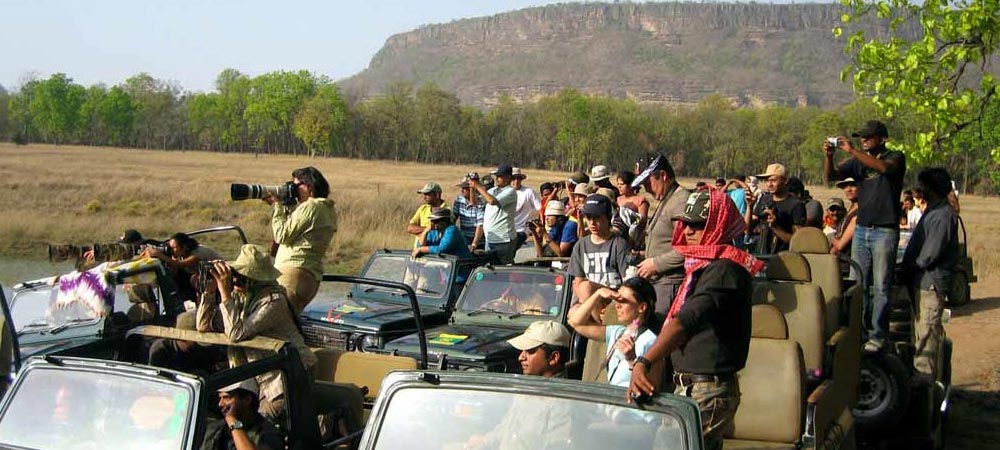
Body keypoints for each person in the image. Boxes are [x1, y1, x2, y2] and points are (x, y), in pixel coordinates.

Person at [627, 190, 763, 450]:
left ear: (717, 225)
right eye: (685, 223)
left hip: (708, 390)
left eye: (698, 225)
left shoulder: (724, 270)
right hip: (693, 388)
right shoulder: (702, 268)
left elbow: (684, 322)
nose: (688, 230)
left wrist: (644, 361)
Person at [197, 244, 317, 421]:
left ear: (254, 279)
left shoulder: (274, 301)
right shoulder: (242, 298)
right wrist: (209, 291)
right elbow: (203, 326)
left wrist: (224, 292)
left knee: (258, 424)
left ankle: (326, 423)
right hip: (259, 378)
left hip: (286, 379)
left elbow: (236, 334)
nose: (235, 280)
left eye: (240, 276)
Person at [825, 120, 907, 352]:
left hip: (885, 230)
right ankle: (857, 332)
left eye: (868, 136)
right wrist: (829, 156)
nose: (864, 140)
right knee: (858, 284)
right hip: (862, 228)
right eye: (861, 137)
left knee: (881, 286)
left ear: (881, 138)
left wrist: (852, 150)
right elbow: (831, 176)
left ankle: (877, 335)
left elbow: (884, 169)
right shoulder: (857, 161)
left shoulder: (895, 156)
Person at [463, 321, 573, 450]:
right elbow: (507, 428)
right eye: (522, 351)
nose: (521, 357)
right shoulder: (528, 387)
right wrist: (483, 441)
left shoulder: (563, 404)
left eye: (530, 351)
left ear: (553, 358)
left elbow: (557, 445)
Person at [902, 168, 959, 383]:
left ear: (932, 188)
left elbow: (930, 254)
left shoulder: (943, 216)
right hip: (923, 282)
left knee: (927, 336)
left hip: (930, 283)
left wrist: (908, 267)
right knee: (922, 334)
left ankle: (926, 388)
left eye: (924, 185)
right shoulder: (933, 211)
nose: (920, 189)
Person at [568, 277, 663, 387]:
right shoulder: (617, 332)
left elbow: (653, 386)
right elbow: (575, 323)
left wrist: (632, 360)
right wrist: (598, 294)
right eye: (617, 300)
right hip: (612, 401)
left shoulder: (652, 341)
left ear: (642, 307)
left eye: (623, 301)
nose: (617, 305)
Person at [268, 166, 337, 315]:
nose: (293, 189)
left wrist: (278, 205)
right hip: (309, 277)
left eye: (296, 185)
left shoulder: (310, 206)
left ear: (308, 186)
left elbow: (281, 235)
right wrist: (289, 208)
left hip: (293, 273)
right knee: (291, 321)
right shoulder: (327, 208)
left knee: (276, 322)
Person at [632, 153, 690, 315]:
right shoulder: (667, 199)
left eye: (648, 183)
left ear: (663, 175)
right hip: (659, 283)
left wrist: (656, 264)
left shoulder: (680, 202)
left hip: (671, 283)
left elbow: (691, 248)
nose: (647, 189)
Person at [569, 194, 632, 306]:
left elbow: (627, 283)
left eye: (597, 217)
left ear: (608, 217)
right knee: (572, 314)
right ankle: (599, 323)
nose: (592, 222)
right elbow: (577, 282)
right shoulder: (580, 245)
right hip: (588, 301)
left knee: (586, 287)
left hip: (614, 300)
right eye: (588, 217)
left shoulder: (619, 244)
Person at [200, 379, 284, 450]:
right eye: (220, 398)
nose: (220, 404)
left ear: (247, 400)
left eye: (227, 398)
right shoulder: (217, 428)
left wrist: (232, 421)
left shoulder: (268, 434)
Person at [143, 232, 223, 304]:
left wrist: (159, 255)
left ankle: (205, 303)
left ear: (184, 246)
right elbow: (174, 271)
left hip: (218, 274)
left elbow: (180, 264)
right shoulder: (180, 254)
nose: (172, 250)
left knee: (194, 279)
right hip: (202, 275)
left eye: (174, 247)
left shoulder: (198, 252)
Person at [746, 163, 805, 254]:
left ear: (785, 181)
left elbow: (798, 241)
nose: (769, 184)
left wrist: (775, 227)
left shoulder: (796, 205)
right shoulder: (764, 199)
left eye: (773, 180)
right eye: (767, 181)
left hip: (783, 258)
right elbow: (747, 229)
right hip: (760, 256)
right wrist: (749, 207)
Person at [471, 164, 518, 265]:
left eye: (499, 176)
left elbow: (492, 201)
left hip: (504, 240)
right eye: (496, 176)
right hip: (490, 238)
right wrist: (472, 186)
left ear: (508, 177)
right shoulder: (493, 190)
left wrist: (478, 186)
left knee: (503, 269)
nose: (496, 178)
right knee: (491, 269)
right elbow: (474, 202)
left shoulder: (510, 191)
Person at [615, 170, 650, 247]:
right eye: (618, 184)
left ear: (631, 185)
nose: (619, 187)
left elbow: (642, 221)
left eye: (622, 184)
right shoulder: (618, 199)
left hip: (635, 239)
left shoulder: (640, 200)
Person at [511, 168, 541, 250]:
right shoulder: (505, 192)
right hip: (507, 229)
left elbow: (539, 209)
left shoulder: (528, 192)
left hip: (522, 229)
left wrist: (533, 224)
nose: (516, 181)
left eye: (518, 178)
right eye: (513, 178)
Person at [453, 177, 485, 251]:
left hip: (480, 241)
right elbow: (453, 218)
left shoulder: (480, 202)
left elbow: (480, 226)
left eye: (465, 188)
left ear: (472, 189)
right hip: (464, 239)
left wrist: (474, 244)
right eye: (461, 188)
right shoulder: (459, 200)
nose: (461, 190)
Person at [831, 178, 859, 258]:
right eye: (845, 186)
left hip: (847, 263)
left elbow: (840, 245)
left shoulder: (860, 213)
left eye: (853, 185)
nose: (848, 190)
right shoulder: (849, 210)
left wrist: (830, 237)